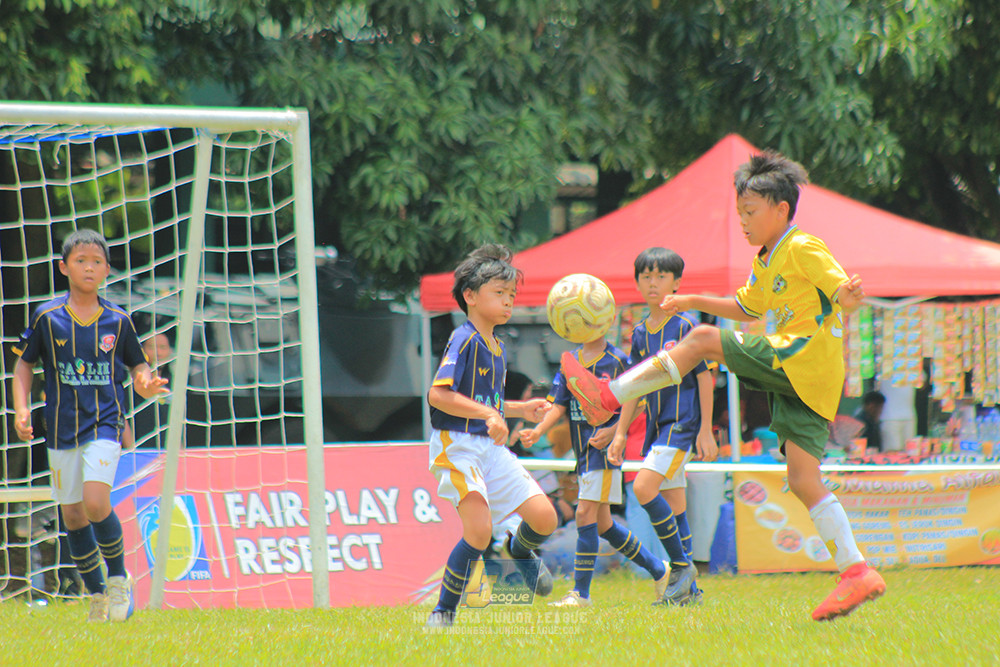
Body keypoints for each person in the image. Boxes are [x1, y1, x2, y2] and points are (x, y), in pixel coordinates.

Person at [561, 151, 887, 621]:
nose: (743, 222)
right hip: (811, 381)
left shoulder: (802, 247)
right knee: (802, 478)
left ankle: (608, 396)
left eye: (750, 212)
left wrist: (847, 297)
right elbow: (747, 307)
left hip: (799, 357)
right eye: (739, 214)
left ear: (781, 209)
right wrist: (690, 298)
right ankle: (856, 572)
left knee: (699, 340)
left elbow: (839, 290)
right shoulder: (766, 259)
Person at [11, 229, 169, 622]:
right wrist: (21, 409)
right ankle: (97, 595)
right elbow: (23, 365)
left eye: (97, 262)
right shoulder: (47, 317)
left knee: (96, 503)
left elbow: (138, 365)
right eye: (80, 260)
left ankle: (118, 580)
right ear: (64, 267)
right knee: (74, 516)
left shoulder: (118, 319)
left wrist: (146, 384)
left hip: (105, 424)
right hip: (60, 427)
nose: (89, 268)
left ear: (107, 270)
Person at [425, 244, 557, 629]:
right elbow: (439, 395)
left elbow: (488, 402)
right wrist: (489, 414)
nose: (508, 301)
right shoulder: (463, 338)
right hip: (458, 446)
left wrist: (519, 409)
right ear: (470, 296)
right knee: (479, 532)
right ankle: (443, 613)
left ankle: (519, 550)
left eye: (512, 294)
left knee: (545, 519)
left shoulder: (497, 347)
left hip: (490, 448)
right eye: (499, 292)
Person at [519, 332, 670, 607]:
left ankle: (581, 594)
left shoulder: (617, 360)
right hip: (583, 453)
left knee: (584, 513)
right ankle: (660, 570)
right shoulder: (570, 362)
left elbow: (637, 402)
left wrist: (615, 432)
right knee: (603, 525)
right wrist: (538, 430)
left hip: (603, 453)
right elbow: (559, 405)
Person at [606, 247, 718, 606]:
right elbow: (634, 386)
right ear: (638, 283)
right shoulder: (640, 332)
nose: (653, 283)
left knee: (642, 488)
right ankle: (689, 593)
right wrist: (620, 432)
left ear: (677, 283)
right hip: (656, 429)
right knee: (675, 505)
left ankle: (681, 568)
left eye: (661, 276)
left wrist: (705, 430)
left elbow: (705, 378)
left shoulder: (686, 326)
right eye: (646, 277)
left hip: (681, 425)